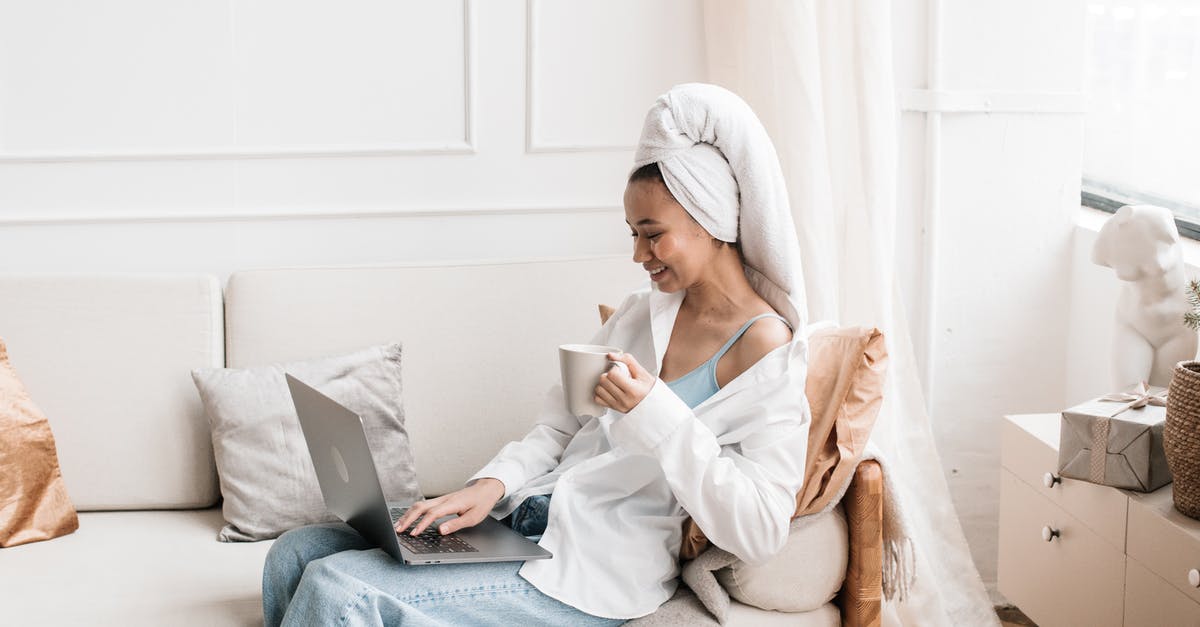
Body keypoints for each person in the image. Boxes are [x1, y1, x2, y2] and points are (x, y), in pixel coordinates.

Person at [261, 82, 813, 626]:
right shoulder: (638, 315)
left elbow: (762, 528)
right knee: (296, 553)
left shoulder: (767, 350)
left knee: (339, 590)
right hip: (522, 517)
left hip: (591, 566)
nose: (638, 254)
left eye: (652, 234)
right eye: (633, 234)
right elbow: (556, 429)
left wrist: (657, 414)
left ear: (712, 221)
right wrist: (489, 486)